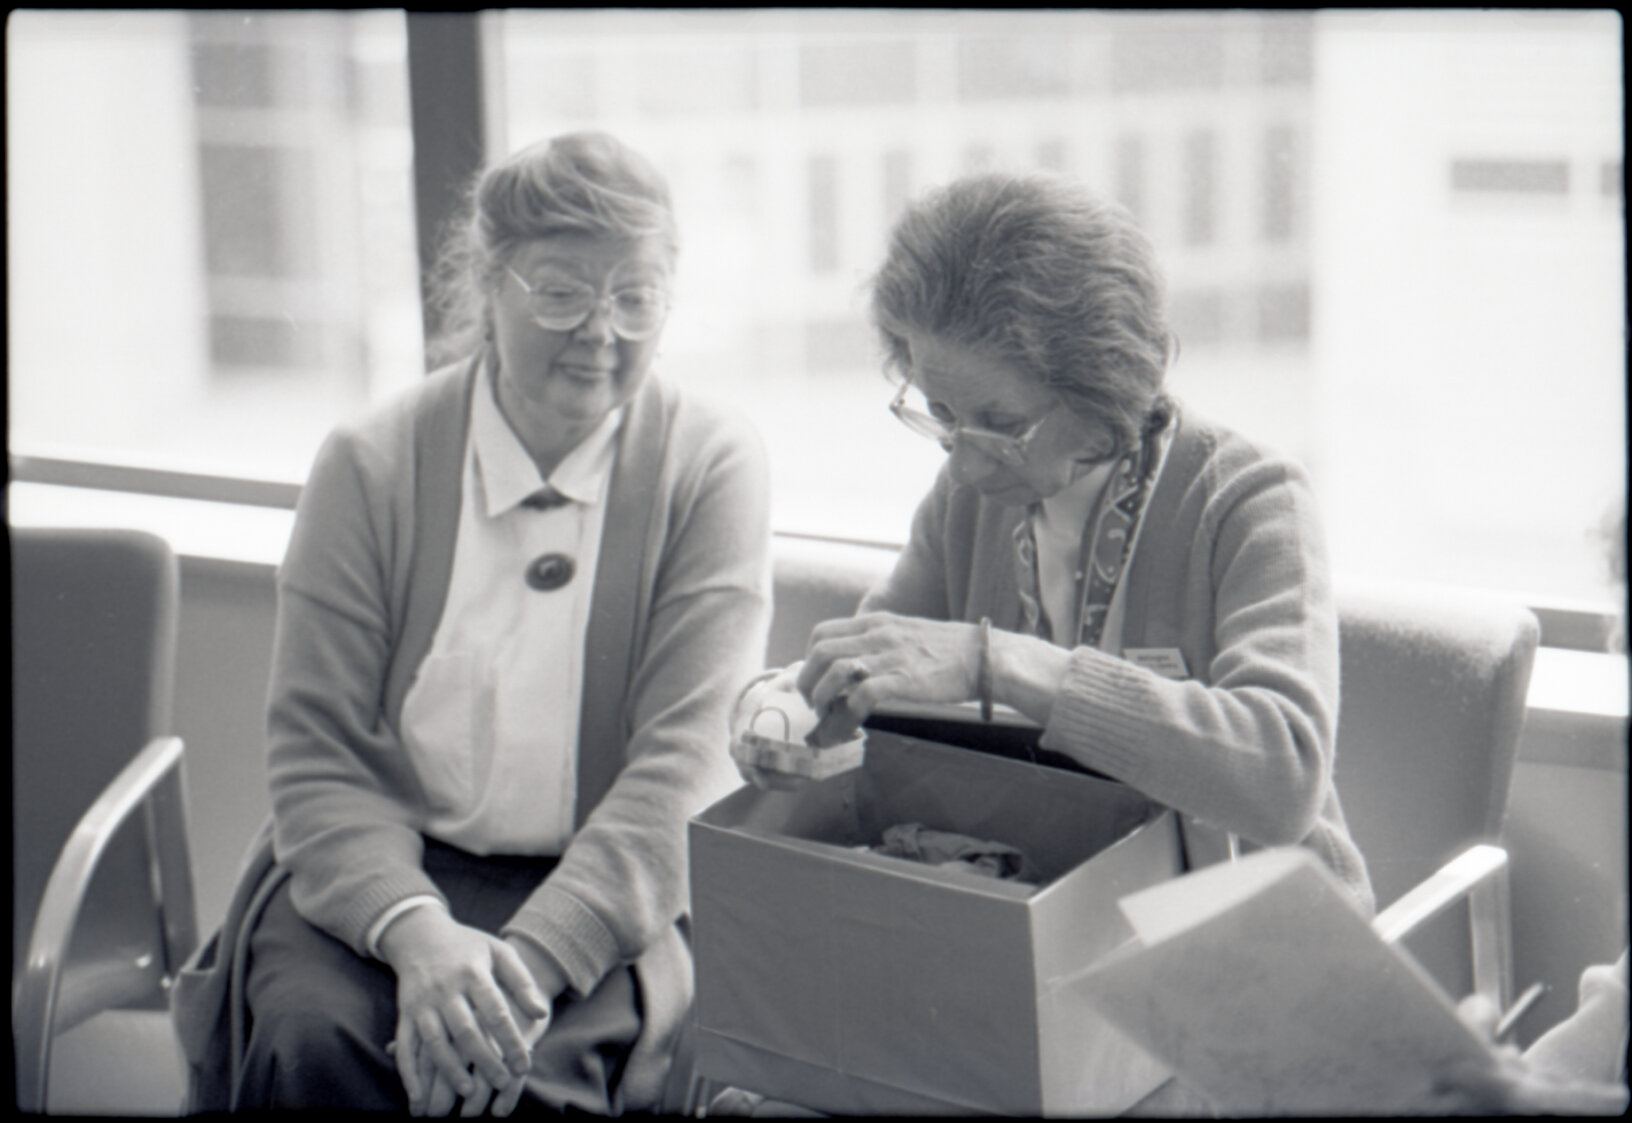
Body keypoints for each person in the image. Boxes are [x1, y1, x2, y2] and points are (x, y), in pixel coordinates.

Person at [172, 131, 772, 1116]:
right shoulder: (369, 462)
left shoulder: (712, 465)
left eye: (636, 296)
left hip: (604, 892)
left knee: (530, 1083)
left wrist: (516, 974)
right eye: (561, 292)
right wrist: (420, 940)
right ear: (487, 285)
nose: (601, 331)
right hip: (372, 880)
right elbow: (318, 755)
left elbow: (684, 771)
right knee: (313, 1045)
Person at [769, 170, 1372, 914]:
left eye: (1000, 421)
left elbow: (1282, 780)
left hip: (1252, 939)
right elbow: (876, 686)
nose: (961, 459)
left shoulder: (1249, 501)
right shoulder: (968, 496)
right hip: (1052, 920)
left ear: (1104, 388)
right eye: (939, 411)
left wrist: (997, 663)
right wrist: (797, 724)